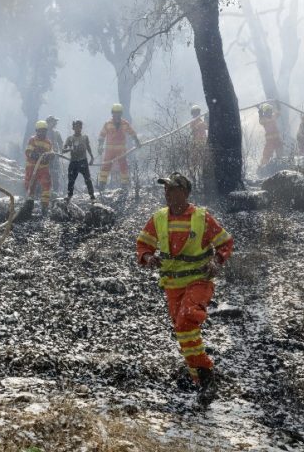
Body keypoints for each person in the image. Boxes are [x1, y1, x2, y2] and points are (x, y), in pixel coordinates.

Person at [136, 172, 233, 405]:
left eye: (172, 189)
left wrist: (217, 261)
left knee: (186, 320)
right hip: (172, 285)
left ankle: (207, 377)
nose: (167, 193)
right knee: (184, 333)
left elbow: (225, 242)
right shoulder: (159, 218)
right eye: (166, 189)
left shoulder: (202, 218)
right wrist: (148, 257)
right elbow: (143, 245)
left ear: (185, 192)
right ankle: (199, 379)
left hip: (199, 281)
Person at [97, 104, 141, 192]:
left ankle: (125, 184)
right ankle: (102, 184)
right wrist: (100, 146)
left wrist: (137, 141)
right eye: (115, 113)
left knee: (123, 166)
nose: (116, 115)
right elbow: (102, 135)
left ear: (121, 114)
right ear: (112, 113)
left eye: (118, 113)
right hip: (109, 149)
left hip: (121, 149)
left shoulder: (125, 123)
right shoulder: (107, 124)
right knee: (106, 165)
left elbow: (132, 133)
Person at [24, 120, 54, 216]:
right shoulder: (32, 140)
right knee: (30, 185)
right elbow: (28, 152)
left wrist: (49, 157)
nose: (42, 133)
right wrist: (34, 154)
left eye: (44, 131)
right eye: (40, 131)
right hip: (31, 167)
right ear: (36, 131)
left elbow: (51, 154)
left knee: (46, 184)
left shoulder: (48, 142)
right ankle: (29, 204)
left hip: (43, 168)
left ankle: (44, 207)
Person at [62, 120, 95, 203]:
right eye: (76, 126)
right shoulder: (70, 139)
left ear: (81, 128)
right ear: (73, 128)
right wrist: (70, 148)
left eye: (79, 127)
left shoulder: (85, 137)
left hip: (83, 161)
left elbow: (88, 147)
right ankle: (69, 196)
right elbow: (63, 150)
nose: (78, 128)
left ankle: (92, 196)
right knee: (71, 180)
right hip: (73, 162)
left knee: (88, 179)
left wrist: (91, 157)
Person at [258, 103, 282, 167]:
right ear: (265, 112)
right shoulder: (264, 119)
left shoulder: (273, 116)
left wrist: (278, 105)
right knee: (266, 155)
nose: (270, 112)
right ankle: (262, 167)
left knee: (280, 154)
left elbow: (278, 113)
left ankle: (281, 165)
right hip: (270, 141)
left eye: (270, 111)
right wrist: (260, 112)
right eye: (268, 111)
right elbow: (260, 121)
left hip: (277, 140)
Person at [45, 115, 64, 193]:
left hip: (55, 156)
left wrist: (61, 150)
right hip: (46, 156)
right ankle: (46, 190)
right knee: (46, 172)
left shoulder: (57, 133)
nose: (55, 123)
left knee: (55, 173)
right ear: (49, 123)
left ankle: (56, 190)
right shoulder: (43, 132)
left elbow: (60, 143)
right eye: (53, 122)